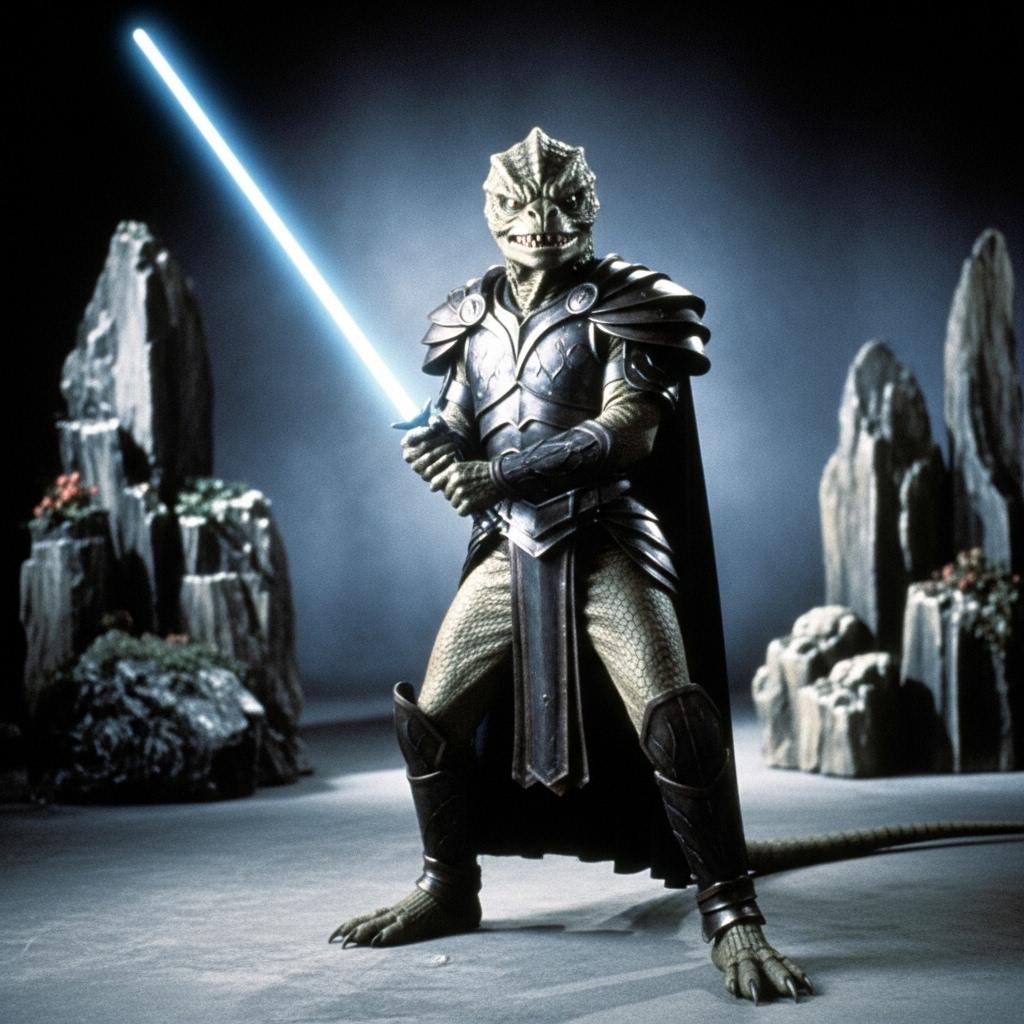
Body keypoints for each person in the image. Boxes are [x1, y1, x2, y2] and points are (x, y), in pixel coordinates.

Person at [330, 127, 811, 1004]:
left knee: (673, 716)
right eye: (521, 204)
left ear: (589, 205)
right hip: (509, 545)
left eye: (562, 202)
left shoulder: (628, 303)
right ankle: (448, 884)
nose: (541, 220)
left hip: (606, 537)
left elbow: (629, 429)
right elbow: (460, 412)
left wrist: (499, 474)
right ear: (493, 210)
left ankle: (731, 911)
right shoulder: (470, 313)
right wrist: (435, 441)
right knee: (432, 717)